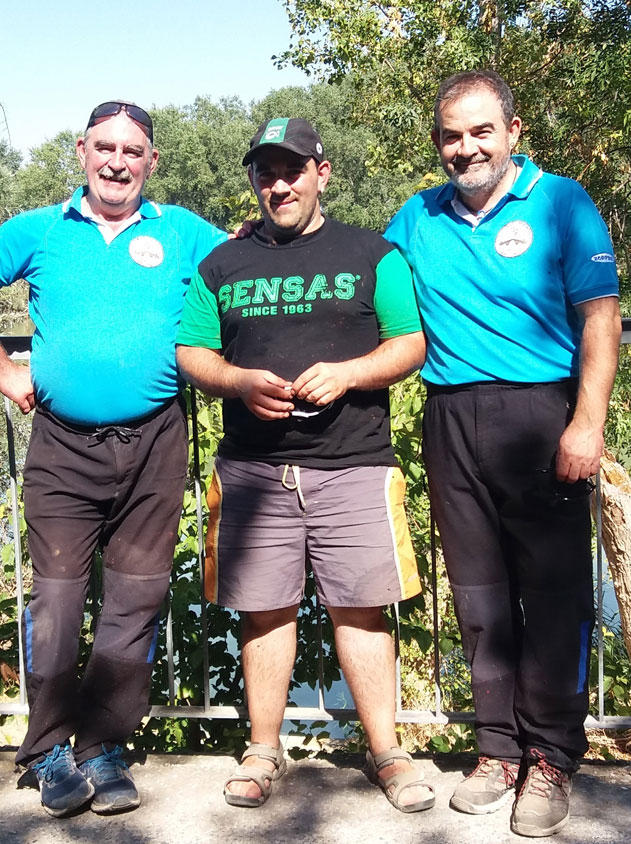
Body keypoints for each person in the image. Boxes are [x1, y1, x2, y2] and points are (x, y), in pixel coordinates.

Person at [0, 100, 227, 818]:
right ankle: (48, 751)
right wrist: (2, 369)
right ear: (82, 151)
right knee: (58, 603)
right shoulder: (40, 231)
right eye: (106, 147)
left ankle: (102, 745)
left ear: (152, 161)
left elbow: (249, 269)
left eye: (133, 151)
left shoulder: (182, 230)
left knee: (136, 599)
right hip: (63, 447)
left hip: (157, 439)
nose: (118, 161)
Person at [383, 70, 623, 838]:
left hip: (542, 412)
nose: (467, 146)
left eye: (482, 130)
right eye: (452, 134)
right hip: (451, 414)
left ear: (513, 132)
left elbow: (601, 319)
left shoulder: (561, 202)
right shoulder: (415, 217)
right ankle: (497, 750)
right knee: (479, 596)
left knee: (553, 596)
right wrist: (253, 245)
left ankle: (551, 755)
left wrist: (586, 424)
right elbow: (361, 289)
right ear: (437, 143)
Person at [176, 117, 435, 814]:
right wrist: (237, 382)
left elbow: (408, 345)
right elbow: (193, 354)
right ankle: (263, 749)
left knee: (362, 612)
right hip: (254, 472)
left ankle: (388, 752)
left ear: (322, 172)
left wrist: (350, 374)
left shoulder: (374, 254)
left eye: (292, 170)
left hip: (353, 465)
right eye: (265, 172)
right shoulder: (220, 266)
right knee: (264, 613)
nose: (279, 184)